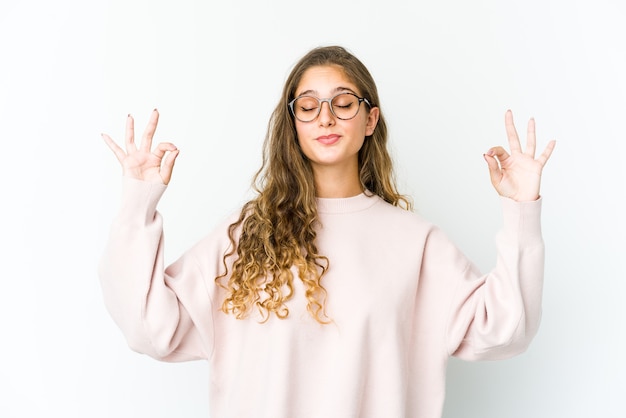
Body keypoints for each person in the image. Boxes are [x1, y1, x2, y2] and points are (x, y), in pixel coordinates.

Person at [99, 45, 556, 418]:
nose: (326, 118)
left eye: (343, 103)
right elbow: (148, 329)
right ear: (293, 123)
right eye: (309, 106)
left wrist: (521, 209)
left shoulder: (416, 244)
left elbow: (506, 330)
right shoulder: (243, 237)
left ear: (370, 120)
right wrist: (137, 203)